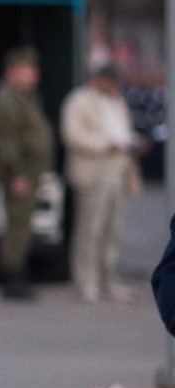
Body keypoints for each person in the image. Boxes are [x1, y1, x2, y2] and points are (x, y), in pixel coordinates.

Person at [61, 63, 137, 303]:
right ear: (98, 79)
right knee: (90, 228)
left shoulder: (118, 102)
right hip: (93, 168)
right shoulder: (79, 101)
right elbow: (72, 134)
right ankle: (86, 281)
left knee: (113, 229)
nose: (114, 86)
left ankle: (108, 280)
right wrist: (105, 144)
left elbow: (124, 132)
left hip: (117, 168)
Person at [0, 46, 55, 301]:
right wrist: (16, 175)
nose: (33, 75)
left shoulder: (23, 97)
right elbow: (7, 143)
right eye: (27, 70)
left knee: (22, 225)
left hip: (28, 171)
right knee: (17, 226)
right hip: (19, 172)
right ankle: (13, 277)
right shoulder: (6, 99)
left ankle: (18, 275)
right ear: (13, 71)